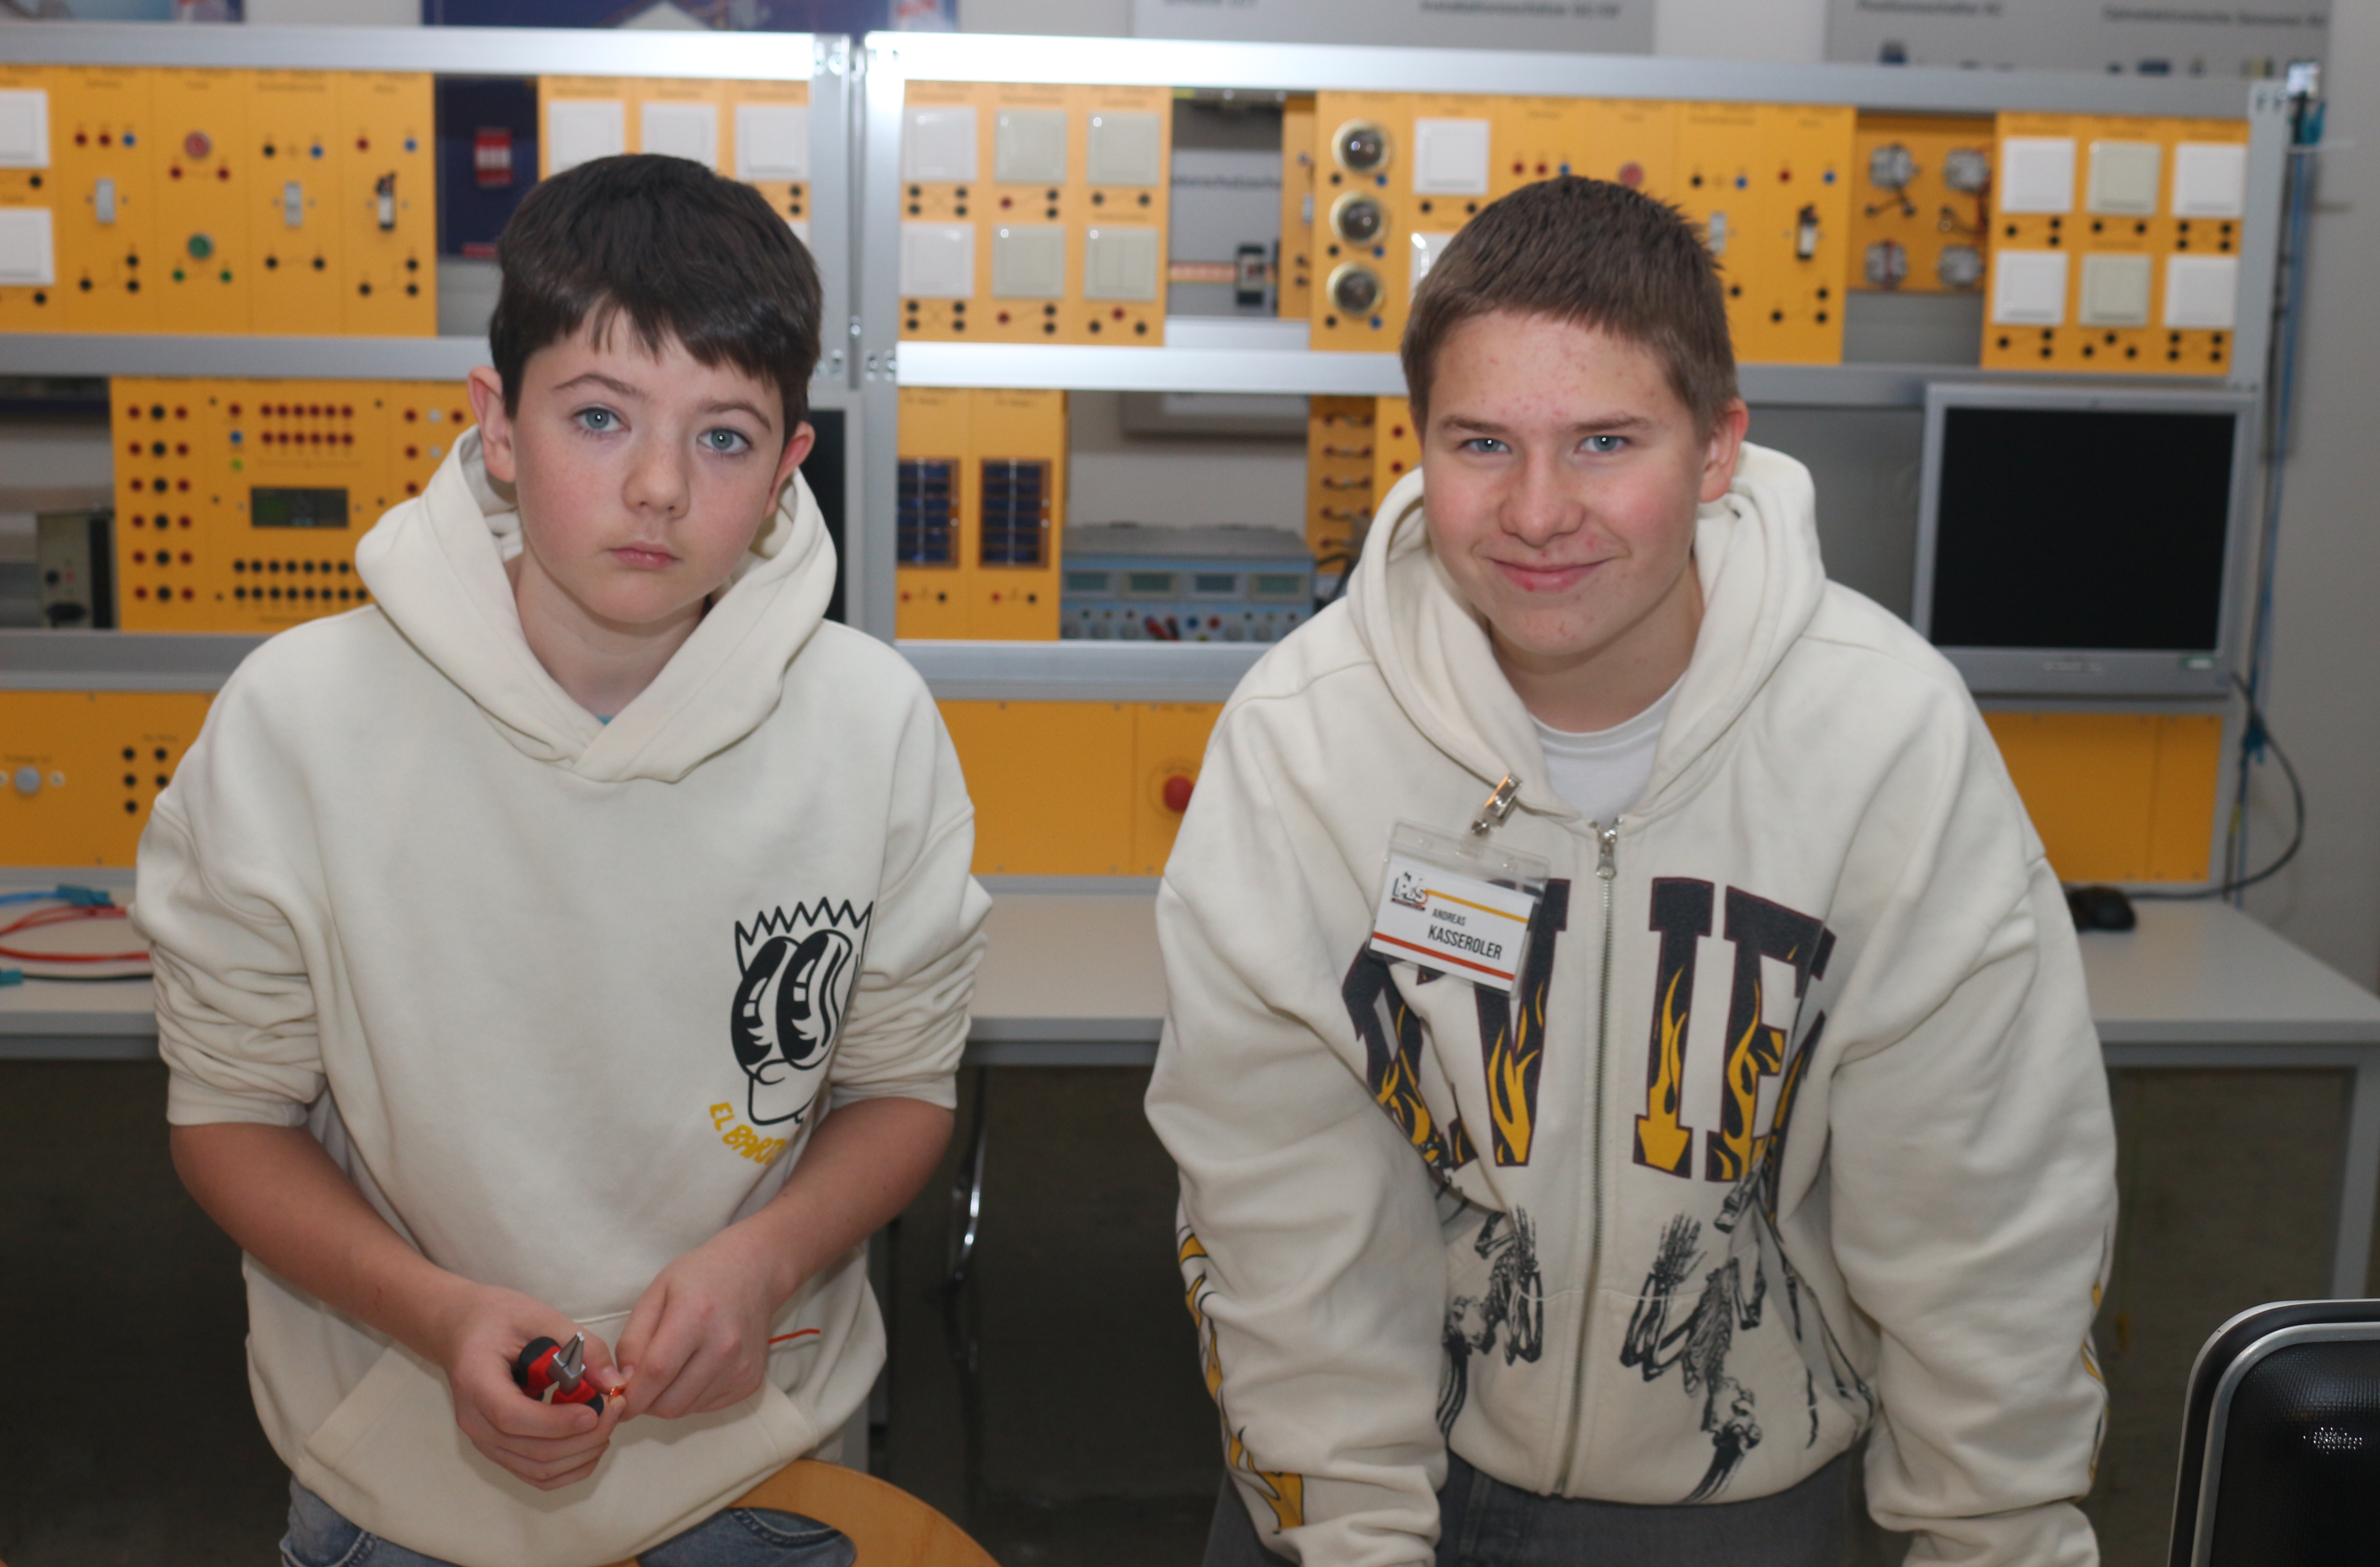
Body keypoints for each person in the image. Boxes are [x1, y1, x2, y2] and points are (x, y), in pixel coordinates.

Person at [1146, 175, 2116, 1567]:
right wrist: (1348, 1531)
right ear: (1421, 444)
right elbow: (1279, 1201)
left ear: (1718, 450)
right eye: (1484, 443)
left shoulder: (1885, 740)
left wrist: (1996, 1535)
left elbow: (1980, 1214)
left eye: (1605, 442)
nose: (1539, 511)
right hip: (1347, 1478)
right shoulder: (1308, 740)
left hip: (1733, 1486)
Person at [135, 153, 987, 1567]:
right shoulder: (299, 722)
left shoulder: (872, 726)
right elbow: (229, 1117)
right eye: (599, 417)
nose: (657, 488)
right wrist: (437, 1315)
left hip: (756, 1464)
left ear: (788, 468)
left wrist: (767, 1257)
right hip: (397, 1471)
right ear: (498, 424)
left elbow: (901, 1087)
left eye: (724, 439)